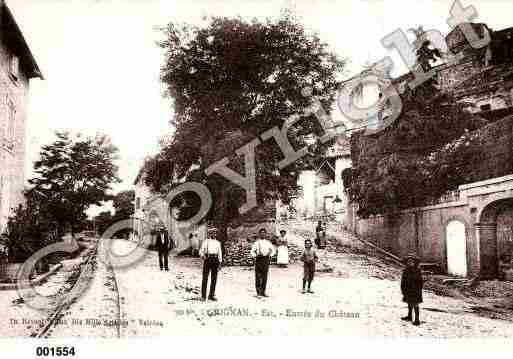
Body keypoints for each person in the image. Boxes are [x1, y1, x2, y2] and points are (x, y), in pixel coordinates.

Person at [250, 228, 275, 298]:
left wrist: (269, 254)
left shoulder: (268, 243)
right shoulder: (256, 243)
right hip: (259, 259)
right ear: (259, 234)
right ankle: (258, 292)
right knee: (258, 276)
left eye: (264, 233)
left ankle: (263, 292)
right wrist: (256, 255)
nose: (262, 234)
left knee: (264, 276)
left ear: (266, 234)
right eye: (261, 233)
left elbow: (273, 251)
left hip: (266, 260)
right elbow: (252, 252)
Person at [199, 229, 222, 301]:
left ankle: (211, 295)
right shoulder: (206, 242)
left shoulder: (218, 243)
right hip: (208, 259)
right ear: (210, 234)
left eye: (215, 233)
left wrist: (220, 262)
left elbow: (219, 253)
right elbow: (201, 251)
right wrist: (203, 256)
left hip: (215, 260)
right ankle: (203, 296)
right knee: (205, 278)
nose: (214, 235)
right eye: (212, 233)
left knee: (214, 278)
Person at [400, 253, 423, 326]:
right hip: (407, 290)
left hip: (415, 290)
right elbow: (403, 281)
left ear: (414, 263)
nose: (410, 263)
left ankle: (417, 319)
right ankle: (409, 316)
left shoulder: (417, 271)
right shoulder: (405, 271)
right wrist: (403, 290)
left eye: (411, 262)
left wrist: (418, 290)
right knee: (409, 302)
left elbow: (420, 282)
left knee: (415, 304)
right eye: (408, 262)